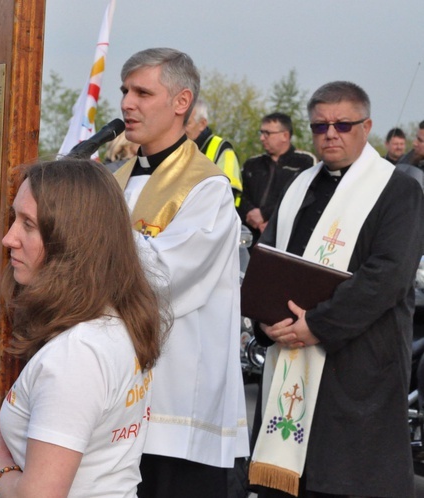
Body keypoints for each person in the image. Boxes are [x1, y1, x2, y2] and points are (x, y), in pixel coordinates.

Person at [250, 81, 423, 497]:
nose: (331, 133)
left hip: (360, 362)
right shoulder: (298, 185)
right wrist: (266, 319)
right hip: (289, 347)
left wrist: (318, 325)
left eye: (343, 124)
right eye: (320, 125)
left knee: (348, 480)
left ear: (367, 127)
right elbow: (268, 259)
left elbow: (387, 276)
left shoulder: (399, 190)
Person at [0, 158, 165, 497]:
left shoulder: (77, 355)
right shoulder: (114, 321)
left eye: (28, 224)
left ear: (72, 239)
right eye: (13, 219)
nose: (9, 238)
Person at [113, 47, 249, 497]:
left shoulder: (207, 188)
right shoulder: (114, 179)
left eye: (142, 92)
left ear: (181, 101)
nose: (127, 103)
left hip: (174, 399)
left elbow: (165, 278)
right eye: (125, 91)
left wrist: (93, 233)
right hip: (112, 391)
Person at [239, 113, 315, 242]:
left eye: (267, 133)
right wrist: (254, 217)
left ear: (285, 135)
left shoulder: (305, 162)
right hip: (250, 237)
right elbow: (240, 195)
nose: (262, 138)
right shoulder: (252, 164)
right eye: (261, 133)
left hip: (284, 237)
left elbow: (302, 197)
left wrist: (266, 215)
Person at [184, 98, 243, 203]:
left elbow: (229, 193)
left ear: (202, 124)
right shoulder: (175, 146)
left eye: (186, 123)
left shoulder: (223, 149)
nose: (180, 128)